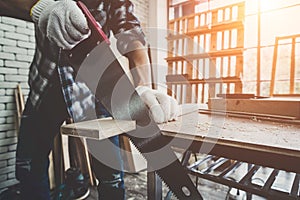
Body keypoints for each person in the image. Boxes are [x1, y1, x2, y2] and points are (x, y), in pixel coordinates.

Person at [0, 0, 179, 199]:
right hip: (44, 88)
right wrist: (39, 6)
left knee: (111, 177)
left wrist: (143, 85)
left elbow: (129, 31)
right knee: (28, 168)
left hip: (94, 94)